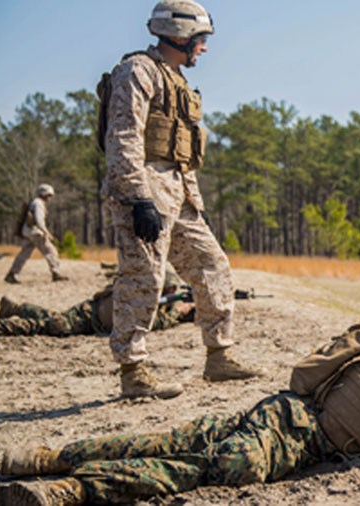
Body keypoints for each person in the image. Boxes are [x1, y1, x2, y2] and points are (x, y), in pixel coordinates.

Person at [0, 283, 360, 506]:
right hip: (294, 434)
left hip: (285, 412)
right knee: (203, 467)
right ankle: (69, 490)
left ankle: (41, 459)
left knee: (169, 438)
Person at [101, 0, 261, 400]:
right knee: (144, 278)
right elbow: (123, 139)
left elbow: (181, 150)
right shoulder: (137, 72)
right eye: (201, 39)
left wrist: (196, 202)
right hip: (144, 192)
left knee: (213, 266)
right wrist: (138, 198)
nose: (204, 48)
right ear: (180, 35)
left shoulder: (177, 81)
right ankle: (133, 371)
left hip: (179, 195)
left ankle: (219, 356)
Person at [0, 268, 194, 339]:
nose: (174, 292)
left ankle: (14, 308)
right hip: (86, 319)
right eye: (171, 290)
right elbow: (154, 323)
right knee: (50, 325)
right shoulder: (138, 303)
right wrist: (178, 311)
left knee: (53, 316)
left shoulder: (136, 289)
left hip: (88, 310)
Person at [5, 184, 68, 283]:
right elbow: (39, 221)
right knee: (50, 251)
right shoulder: (38, 204)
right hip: (35, 232)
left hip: (27, 231)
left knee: (24, 254)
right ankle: (56, 273)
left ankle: (12, 274)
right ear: (44, 194)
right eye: (49, 195)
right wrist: (46, 232)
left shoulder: (34, 202)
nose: (50, 197)